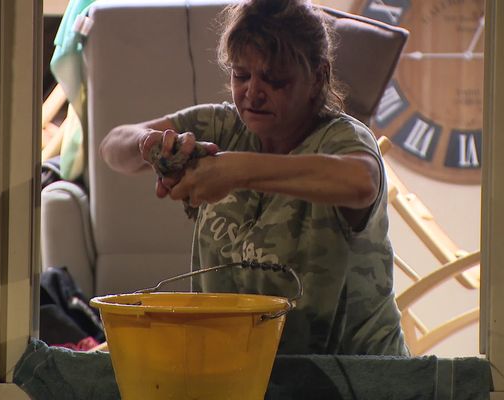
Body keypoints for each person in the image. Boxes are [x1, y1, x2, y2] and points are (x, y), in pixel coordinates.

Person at [100, 0, 409, 356]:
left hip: (356, 377)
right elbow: (112, 145)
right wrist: (152, 146)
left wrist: (235, 171)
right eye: (241, 75)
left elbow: (361, 182)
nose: (253, 92)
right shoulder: (224, 125)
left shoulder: (344, 139)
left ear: (318, 77)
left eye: (275, 79)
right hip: (239, 370)